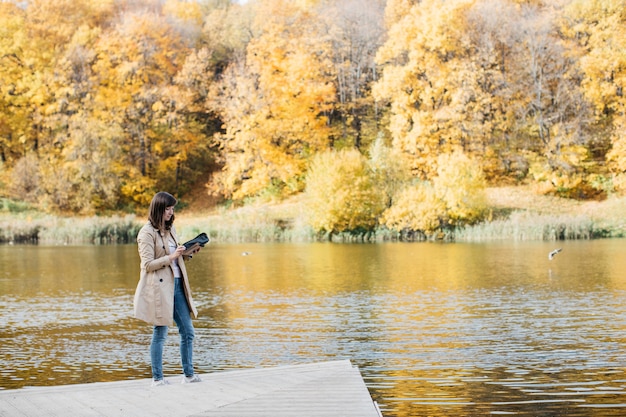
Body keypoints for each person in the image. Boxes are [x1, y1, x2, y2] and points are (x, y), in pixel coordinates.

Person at [133, 191, 202, 386]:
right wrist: (172, 257)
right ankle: (158, 379)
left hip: (178, 286)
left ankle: (189, 375)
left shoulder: (171, 229)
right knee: (160, 332)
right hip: (160, 289)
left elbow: (176, 257)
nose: (171, 212)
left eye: (173, 209)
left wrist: (188, 253)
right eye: (168, 209)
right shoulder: (146, 233)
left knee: (188, 331)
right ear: (158, 209)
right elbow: (147, 264)